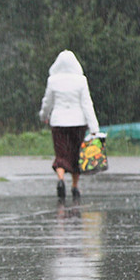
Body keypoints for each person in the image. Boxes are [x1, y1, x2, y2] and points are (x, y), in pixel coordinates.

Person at [39, 49, 99, 201]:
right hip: (78, 123)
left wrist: (44, 116)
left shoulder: (53, 81)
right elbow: (87, 104)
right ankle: (75, 186)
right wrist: (94, 128)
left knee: (61, 154)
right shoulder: (81, 81)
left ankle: (60, 180)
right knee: (76, 154)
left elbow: (48, 102)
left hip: (59, 122)